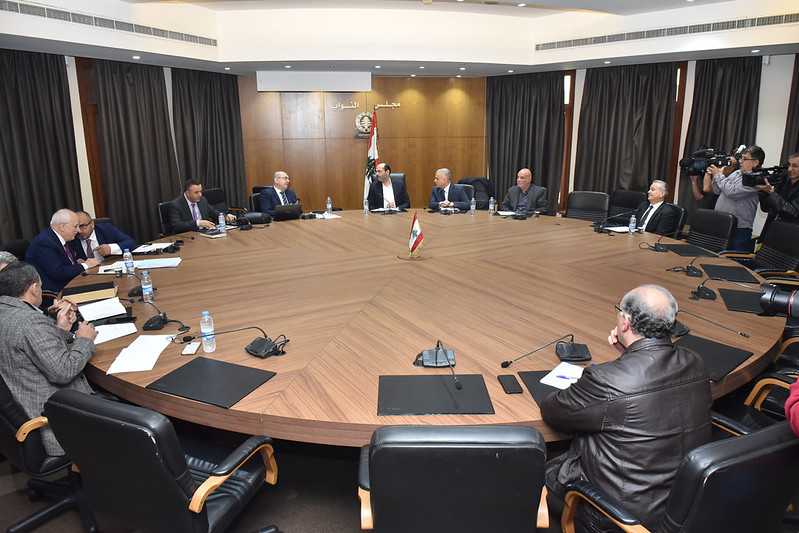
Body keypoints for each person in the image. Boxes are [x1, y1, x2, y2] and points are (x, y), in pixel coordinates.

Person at [541, 284, 711, 532]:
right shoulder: (694, 362)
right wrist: (628, 356)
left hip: (615, 518)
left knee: (530, 469)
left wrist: (618, 366)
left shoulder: (607, 380)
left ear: (625, 323)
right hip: (681, 504)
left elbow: (554, 411)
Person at [0, 262, 97, 456]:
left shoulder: (7, 312)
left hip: (23, 408)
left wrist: (59, 329)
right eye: (41, 286)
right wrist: (84, 339)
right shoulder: (29, 322)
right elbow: (64, 371)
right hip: (57, 422)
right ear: (34, 287)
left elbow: (29, 353)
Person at [25, 209, 101, 294]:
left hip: (71, 283)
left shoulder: (61, 238)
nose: (79, 230)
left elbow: (64, 263)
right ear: (62, 227)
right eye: (75, 226)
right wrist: (86, 265)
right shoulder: (44, 243)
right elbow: (58, 273)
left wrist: (76, 263)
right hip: (57, 292)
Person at [706, 146, 765, 252]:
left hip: (739, 229)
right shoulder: (737, 173)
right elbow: (717, 190)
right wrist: (717, 174)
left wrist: (719, 175)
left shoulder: (756, 179)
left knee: (734, 259)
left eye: (744, 158)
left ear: (755, 162)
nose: (740, 161)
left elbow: (732, 192)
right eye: (741, 158)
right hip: (722, 223)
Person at [166, 179, 236, 234]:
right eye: (196, 192)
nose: (200, 194)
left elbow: (213, 212)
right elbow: (177, 226)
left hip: (205, 234)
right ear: (187, 193)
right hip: (188, 237)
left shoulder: (202, 200)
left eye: (200, 191)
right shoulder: (176, 205)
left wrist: (225, 216)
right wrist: (198, 223)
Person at [758, 152, 799, 239]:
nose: (790, 169)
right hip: (771, 230)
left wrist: (772, 194)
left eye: (795, 166)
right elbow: (766, 208)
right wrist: (763, 192)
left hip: (791, 235)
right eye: (789, 165)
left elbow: (792, 212)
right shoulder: (784, 180)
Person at [69, 210, 137, 261]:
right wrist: (77, 262)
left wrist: (110, 248)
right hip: (88, 274)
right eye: (75, 227)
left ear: (92, 224)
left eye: (82, 226)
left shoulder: (106, 229)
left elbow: (131, 243)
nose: (79, 231)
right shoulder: (71, 237)